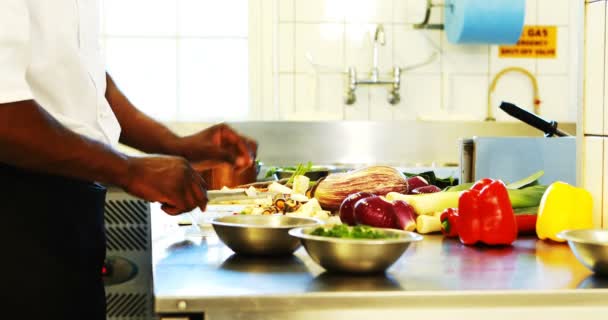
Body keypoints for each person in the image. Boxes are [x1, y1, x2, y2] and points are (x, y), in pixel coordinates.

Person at [0, 1, 256, 319]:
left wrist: (174, 145)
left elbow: (84, 78)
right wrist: (128, 169)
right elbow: (5, 118)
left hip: (70, 214)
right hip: (17, 220)